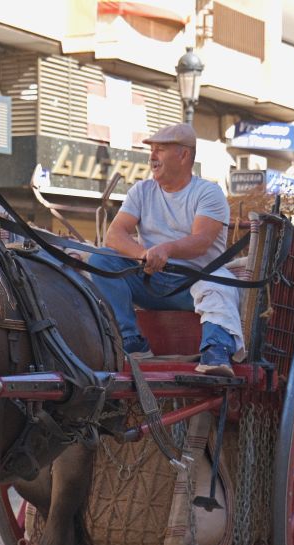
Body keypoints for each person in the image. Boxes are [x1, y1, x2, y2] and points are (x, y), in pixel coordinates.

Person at [89, 123, 244, 376]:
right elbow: (114, 235)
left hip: (194, 282)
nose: (152, 157)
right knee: (101, 261)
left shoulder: (208, 193)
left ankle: (216, 351)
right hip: (150, 279)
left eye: (160, 150)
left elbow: (202, 240)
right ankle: (131, 342)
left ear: (184, 155)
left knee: (218, 285)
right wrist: (144, 255)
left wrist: (166, 249)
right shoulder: (141, 191)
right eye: (152, 150)